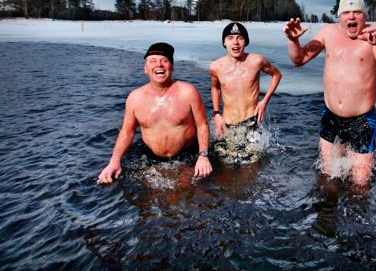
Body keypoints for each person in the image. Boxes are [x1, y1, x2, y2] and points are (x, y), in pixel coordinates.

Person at [283, 0, 376, 185]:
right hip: (331, 116)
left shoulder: (373, 35)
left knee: (361, 184)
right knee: (328, 177)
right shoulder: (328, 33)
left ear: (365, 16)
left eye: (357, 12)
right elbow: (299, 59)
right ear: (339, 17)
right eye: (346, 13)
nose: (351, 17)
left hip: (362, 121)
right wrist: (294, 41)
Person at [98, 42, 212, 183]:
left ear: (172, 67)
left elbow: (202, 125)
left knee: (187, 190)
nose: (159, 65)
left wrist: (203, 156)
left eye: (164, 61)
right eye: (153, 61)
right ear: (145, 69)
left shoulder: (188, 92)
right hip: (151, 158)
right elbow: (127, 132)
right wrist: (114, 162)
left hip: (187, 154)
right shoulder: (135, 98)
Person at [209, 22, 282, 164]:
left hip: (251, 123)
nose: (235, 43)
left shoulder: (256, 61)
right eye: (230, 38)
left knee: (252, 168)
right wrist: (216, 113)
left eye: (240, 38)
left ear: (246, 42)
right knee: (226, 170)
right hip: (228, 125)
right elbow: (215, 87)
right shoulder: (216, 67)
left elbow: (277, 75)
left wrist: (264, 101)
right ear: (224, 42)